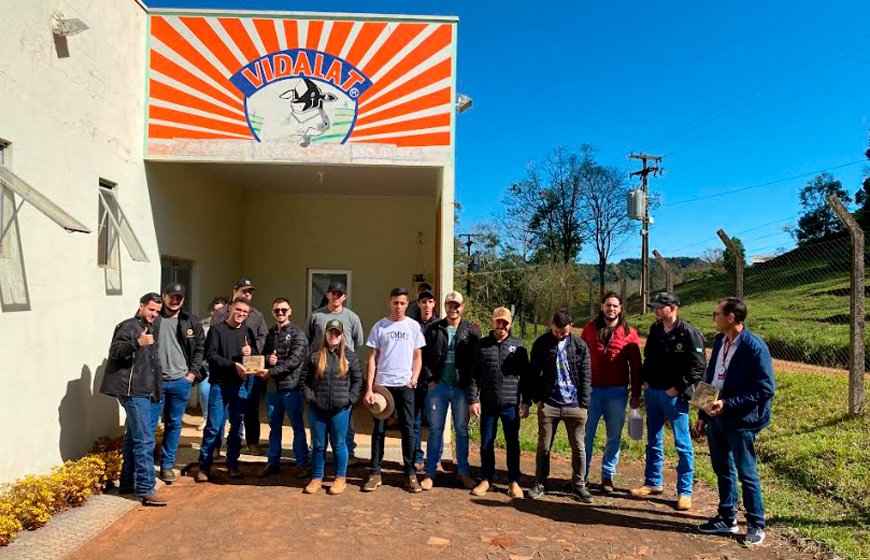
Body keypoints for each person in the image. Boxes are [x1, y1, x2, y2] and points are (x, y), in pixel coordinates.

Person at [695, 297, 775, 546]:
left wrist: (727, 404)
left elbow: (764, 389)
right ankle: (727, 517)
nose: (713, 318)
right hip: (715, 417)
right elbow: (711, 377)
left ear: (731, 317)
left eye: (716, 313)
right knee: (722, 469)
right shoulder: (720, 341)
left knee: (746, 472)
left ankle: (755, 523)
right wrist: (702, 413)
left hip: (741, 421)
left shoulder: (754, 347)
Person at [631, 292, 706, 511]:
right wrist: (644, 381)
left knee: (682, 444)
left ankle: (685, 491)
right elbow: (649, 357)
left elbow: (698, 367)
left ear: (672, 308)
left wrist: (676, 388)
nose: (655, 310)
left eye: (659, 307)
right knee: (653, 439)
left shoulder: (689, 333)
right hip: (653, 392)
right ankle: (653, 482)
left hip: (674, 397)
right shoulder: (656, 330)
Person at [99, 293, 166, 506]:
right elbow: (115, 350)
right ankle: (146, 489)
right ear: (141, 306)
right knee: (145, 439)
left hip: (143, 390)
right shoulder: (129, 326)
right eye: (151, 310)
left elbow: (153, 364)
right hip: (132, 391)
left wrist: (157, 391)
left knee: (133, 438)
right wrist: (138, 342)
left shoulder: (150, 328)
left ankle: (127, 483)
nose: (154, 314)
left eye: (157, 311)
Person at [361, 287, 426, 493]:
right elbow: (372, 358)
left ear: (407, 304)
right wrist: (370, 388)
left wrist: (414, 379)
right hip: (382, 386)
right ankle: (375, 472)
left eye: (402, 303)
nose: (398, 306)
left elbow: (417, 356)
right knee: (378, 430)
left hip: (405, 385)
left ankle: (410, 474)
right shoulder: (380, 327)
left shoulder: (414, 327)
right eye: (395, 302)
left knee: (408, 429)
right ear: (390, 303)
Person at [525, 310, 593, 503]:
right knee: (544, 446)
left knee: (578, 448)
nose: (559, 335)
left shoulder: (580, 346)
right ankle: (539, 482)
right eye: (555, 331)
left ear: (570, 326)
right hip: (550, 404)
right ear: (550, 325)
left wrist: (584, 404)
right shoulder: (541, 344)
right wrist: (538, 400)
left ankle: (579, 485)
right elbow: (533, 373)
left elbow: (586, 376)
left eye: (563, 333)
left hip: (575, 405)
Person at [580, 292, 642, 493]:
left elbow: (636, 365)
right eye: (608, 305)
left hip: (617, 392)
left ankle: (607, 476)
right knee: (585, 435)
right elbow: (580, 360)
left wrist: (635, 395)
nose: (611, 309)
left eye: (615, 306)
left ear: (621, 308)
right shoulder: (589, 330)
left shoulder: (629, 333)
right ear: (601, 307)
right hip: (592, 391)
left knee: (614, 436)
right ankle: (582, 474)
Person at [420, 291, 479, 491]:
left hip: (461, 389)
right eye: (450, 305)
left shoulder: (471, 331)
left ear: (462, 307)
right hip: (439, 387)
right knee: (435, 430)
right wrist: (429, 380)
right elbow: (424, 356)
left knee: (461, 430)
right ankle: (430, 472)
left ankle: (463, 472)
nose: (453, 309)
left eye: (457, 305)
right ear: (444, 306)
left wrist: (473, 394)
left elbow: (474, 365)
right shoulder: (435, 329)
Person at [468, 307, 529, 499]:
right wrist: (473, 399)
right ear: (493, 323)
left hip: (511, 405)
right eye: (498, 322)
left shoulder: (519, 346)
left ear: (510, 324)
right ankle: (486, 479)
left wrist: (526, 402)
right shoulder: (483, 345)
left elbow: (526, 377)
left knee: (513, 444)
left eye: (505, 322)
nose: (501, 326)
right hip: (488, 403)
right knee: (486, 443)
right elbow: (474, 375)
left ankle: (514, 481)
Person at [197, 297, 258, 481]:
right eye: (238, 310)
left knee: (237, 428)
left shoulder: (247, 332)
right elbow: (211, 356)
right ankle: (204, 467)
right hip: (219, 385)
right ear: (230, 309)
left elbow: (254, 357)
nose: (241, 314)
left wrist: (250, 354)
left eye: (245, 312)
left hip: (240, 386)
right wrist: (233, 365)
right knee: (214, 427)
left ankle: (233, 464)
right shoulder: (217, 330)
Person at [302, 319, 363, 495]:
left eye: (337, 333)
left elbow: (358, 380)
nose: (334, 336)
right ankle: (316, 478)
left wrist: (349, 399)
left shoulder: (350, 357)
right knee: (319, 444)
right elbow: (304, 381)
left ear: (342, 335)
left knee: (339, 444)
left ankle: (340, 478)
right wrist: (311, 399)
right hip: (318, 408)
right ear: (326, 334)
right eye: (331, 332)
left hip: (340, 409)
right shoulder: (315, 356)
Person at [307, 281, 365, 464]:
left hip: (343, 374)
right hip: (321, 373)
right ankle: (315, 456)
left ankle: (349, 452)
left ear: (344, 296)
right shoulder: (316, 316)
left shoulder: (352, 318)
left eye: (340, 293)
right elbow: (308, 339)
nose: (336, 296)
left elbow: (358, 341)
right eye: (333, 293)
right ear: (327, 294)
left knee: (345, 419)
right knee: (318, 420)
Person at [153, 283, 206, 484]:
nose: (175, 300)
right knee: (150, 425)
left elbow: (200, 347)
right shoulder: (154, 318)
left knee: (174, 424)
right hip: (156, 382)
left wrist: (191, 374)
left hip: (180, 381)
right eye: (172, 296)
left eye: (179, 298)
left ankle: (167, 465)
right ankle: (147, 465)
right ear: (163, 296)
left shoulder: (190, 321)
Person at [211, 279, 268, 454]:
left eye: (250, 292)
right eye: (244, 291)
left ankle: (252, 442)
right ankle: (215, 445)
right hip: (227, 368)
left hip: (249, 367)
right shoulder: (221, 313)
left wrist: (253, 348)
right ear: (235, 291)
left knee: (250, 406)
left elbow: (263, 336)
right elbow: (218, 338)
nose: (247, 294)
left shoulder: (257, 315)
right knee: (220, 411)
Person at [258, 298, 310, 478]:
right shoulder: (270, 333)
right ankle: (273, 462)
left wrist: (272, 369)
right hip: (273, 389)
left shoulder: (298, 334)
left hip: (291, 387)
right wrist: (267, 359)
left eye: (283, 310)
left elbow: (295, 361)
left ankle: (302, 463)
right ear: (272, 312)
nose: (280, 313)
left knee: (297, 426)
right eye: (276, 310)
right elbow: (263, 355)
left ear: (290, 311)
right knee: (274, 427)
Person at [412, 288, 439, 471]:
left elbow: (442, 355)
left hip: (433, 381)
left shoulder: (440, 325)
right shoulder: (411, 324)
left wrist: (434, 378)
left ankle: (434, 459)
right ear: (418, 303)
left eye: (430, 301)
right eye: (423, 302)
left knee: (434, 422)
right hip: (414, 380)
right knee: (415, 420)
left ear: (434, 303)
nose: (426, 305)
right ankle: (417, 457)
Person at [198, 297, 228, 432]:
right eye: (215, 310)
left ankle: (224, 420)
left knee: (224, 397)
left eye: (221, 310)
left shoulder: (229, 325)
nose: (218, 313)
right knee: (205, 392)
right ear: (211, 311)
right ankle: (206, 418)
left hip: (224, 368)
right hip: (207, 366)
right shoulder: (203, 325)